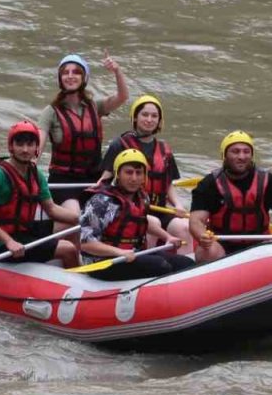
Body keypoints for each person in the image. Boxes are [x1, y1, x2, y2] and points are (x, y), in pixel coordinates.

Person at [188, 130, 272, 263]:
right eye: (235, 151)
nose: (242, 156)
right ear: (224, 155)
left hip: (259, 242)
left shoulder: (268, 181)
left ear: (252, 155)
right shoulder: (209, 184)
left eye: (246, 151)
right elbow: (196, 221)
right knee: (208, 251)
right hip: (222, 243)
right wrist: (203, 237)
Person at [0, 120, 81, 268]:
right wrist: (8, 241)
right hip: (0, 244)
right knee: (68, 249)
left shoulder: (36, 174)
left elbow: (51, 209)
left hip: (26, 233)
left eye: (30, 144)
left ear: (37, 147)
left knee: (72, 222)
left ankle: (80, 261)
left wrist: (80, 219)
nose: (25, 150)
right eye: (20, 144)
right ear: (11, 147)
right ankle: (76, 283)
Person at [98, 94, 191, 254]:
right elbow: (106, 178)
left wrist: (178, 205)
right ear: (135, 118)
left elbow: (167, 184)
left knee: (184, 227)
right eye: (144, 114)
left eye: (154, 116)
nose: (149, 119)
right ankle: (150, 264)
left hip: (159, 208)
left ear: (159, 121)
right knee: (152, 222)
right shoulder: (119, 144)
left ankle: (189, 268)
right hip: (130, 209)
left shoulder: (165, 149)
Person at [79, 149, 192, 281]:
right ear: (118, 174)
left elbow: (140, 221)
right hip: (101, 261)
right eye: (128, 172)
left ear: (144, 176)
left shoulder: (142, 197)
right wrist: (119, 252)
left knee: (186, 264)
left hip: (132, 253)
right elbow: (86, 243)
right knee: (161, 266)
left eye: (139, 173)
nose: (134, 178)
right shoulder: (102, 202)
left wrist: (167, 237)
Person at [37, 50, 128, 212]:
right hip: (63, 182)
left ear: (84, 78)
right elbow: (36, 151)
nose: (70, 76)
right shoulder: (50, 112)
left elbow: (122, 97)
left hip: (94, 180)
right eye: (65, 72)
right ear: (60, 79)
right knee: (74, 213)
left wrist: (117, 71)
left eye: (76, 72)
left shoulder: (96, 107)